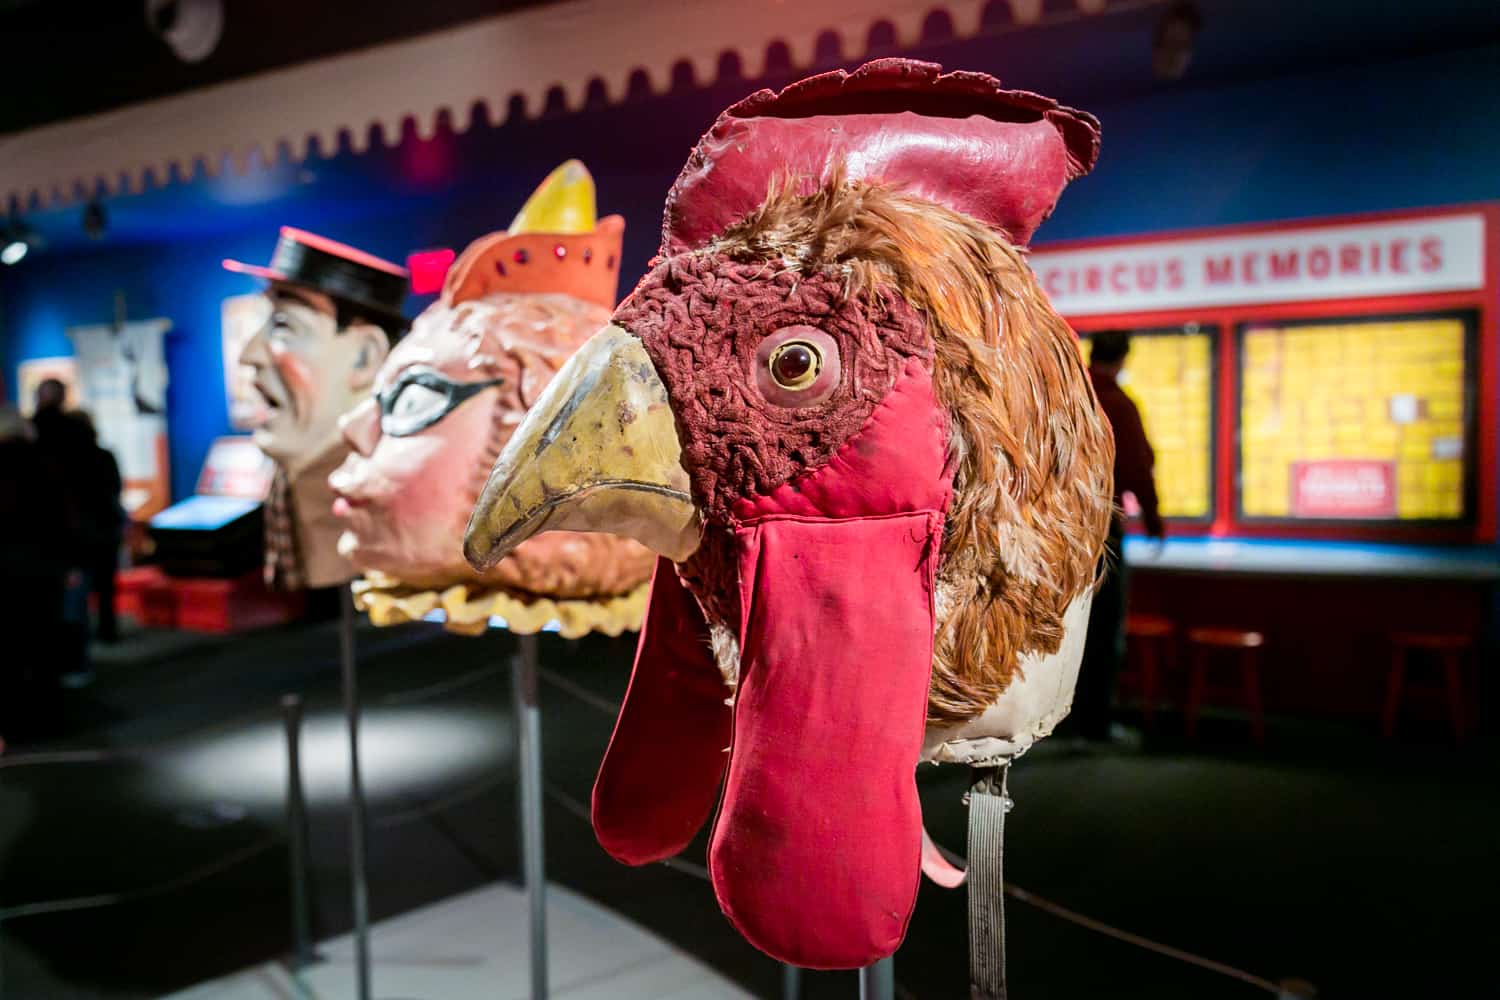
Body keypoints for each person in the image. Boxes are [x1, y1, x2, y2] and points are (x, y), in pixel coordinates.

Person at [1075, 330, 1165, 743]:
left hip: (1065, 531)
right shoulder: (1119, 405)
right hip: (1104, 531)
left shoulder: (1072, 397)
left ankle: (1063, 716)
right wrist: (1155, 521)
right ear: (1124, 357)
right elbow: (1136, 467)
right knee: (1105, 625)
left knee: (1069, 625)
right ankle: (1096, 721)